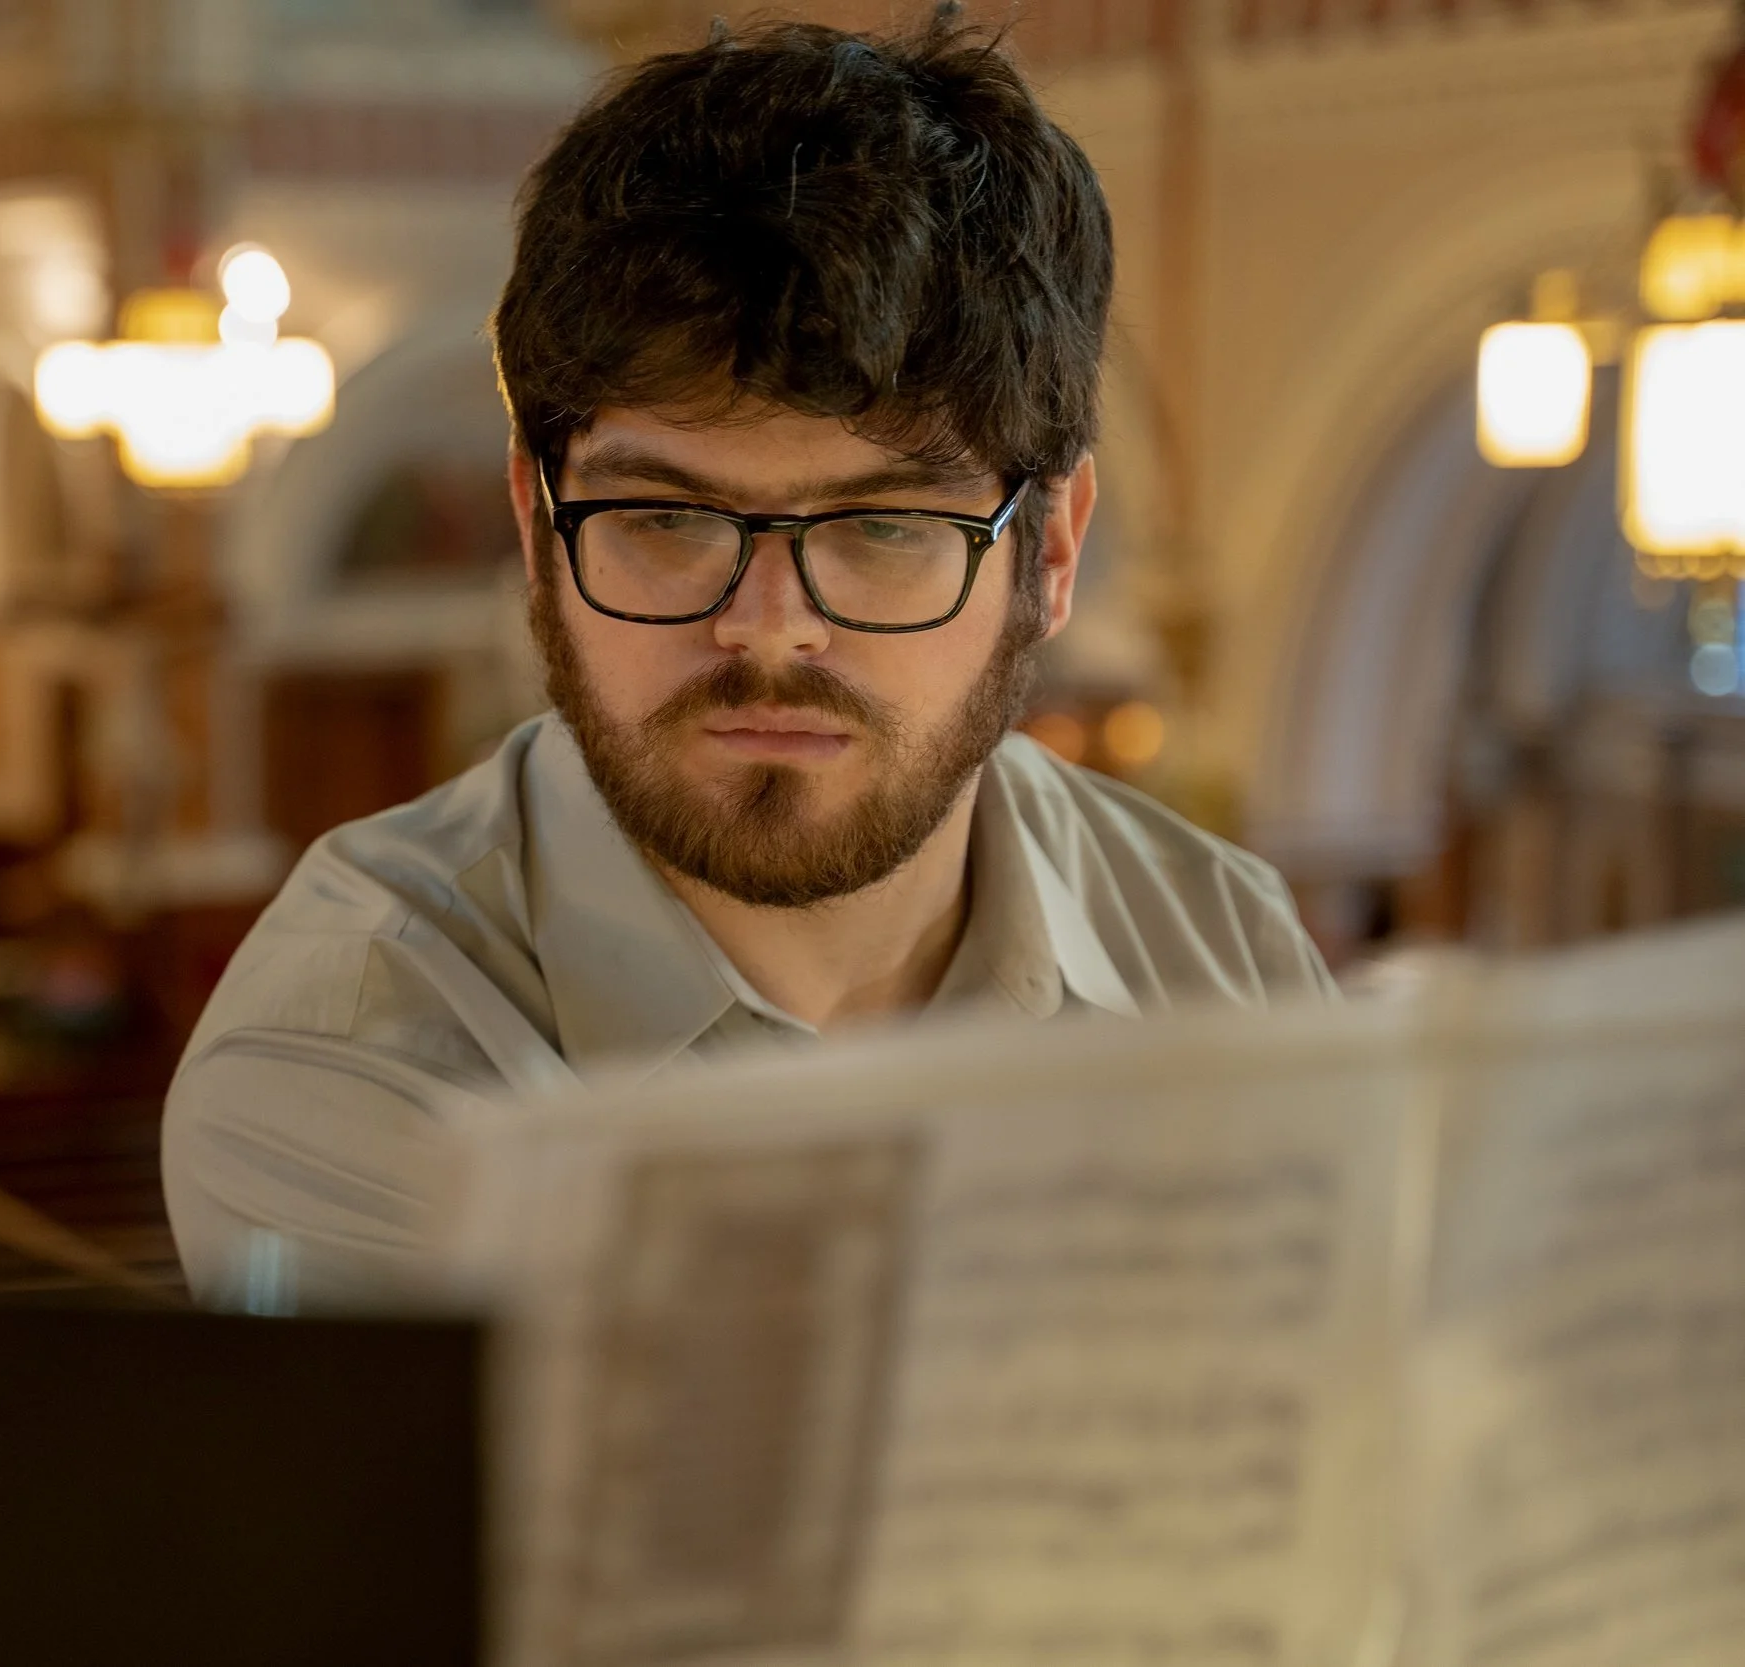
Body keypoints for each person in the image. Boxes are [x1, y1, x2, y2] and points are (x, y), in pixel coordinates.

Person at [163, 16, 1334, 1308]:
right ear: (533, 526)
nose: (770, 627)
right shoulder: (344, 1054)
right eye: (664, 517)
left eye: (885, 525)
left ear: (1050, 552)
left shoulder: (1226, 955)